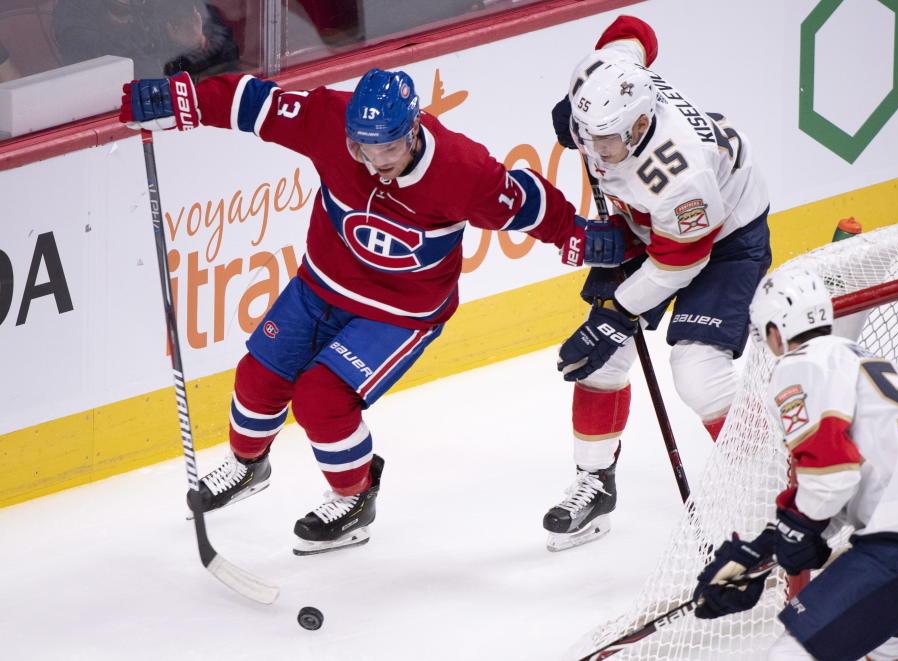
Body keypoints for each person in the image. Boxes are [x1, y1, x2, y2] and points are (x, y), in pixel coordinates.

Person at [119, 67, 626, 554]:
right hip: (318, 286)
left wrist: (581, 236)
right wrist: (181, 99)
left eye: (389, 146)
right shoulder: (328, 119)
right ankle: (248, 465)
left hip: (400, 313)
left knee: (320, 400)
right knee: (257, 377)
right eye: (363, 147)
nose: (375, 160)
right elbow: (253, 104)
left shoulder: (461, 171)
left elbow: (525, 203)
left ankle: (353, 498)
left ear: (413, 131)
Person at [543, 14, 772, 551]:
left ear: (643, 125)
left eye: (608, 141)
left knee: (698, 373)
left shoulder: (678, 176)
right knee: (603, 361)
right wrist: (578, 116)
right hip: (651, 225)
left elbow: (678, 263)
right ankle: (595, 484)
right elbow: (633, 28)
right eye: (587, 136)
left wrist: (615, 315)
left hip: (722, 241)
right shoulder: (611, 81)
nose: (595, 151)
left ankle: (775, 487)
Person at [693, 266, 898, 661]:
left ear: (774, 330)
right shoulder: (855, 357)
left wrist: (795, 533)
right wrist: (763, 550)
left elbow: (831, 475)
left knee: (791, 654)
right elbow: (845, 482)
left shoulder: (802, 364)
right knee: (889, 644)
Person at [54, 0, 238, 80]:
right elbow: (86, 66)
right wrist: (119, 16)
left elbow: (230, 53)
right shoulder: (75, 8)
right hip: (122, 115)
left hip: (184, 106)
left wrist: (198, 44)